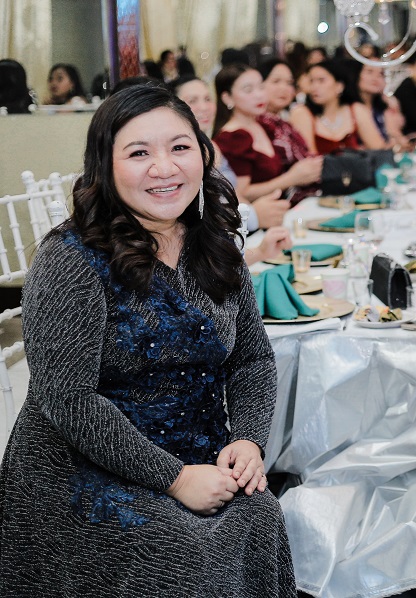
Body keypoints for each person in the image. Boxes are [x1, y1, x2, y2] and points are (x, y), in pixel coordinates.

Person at [0, 84, 296, 596]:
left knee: (261, 513)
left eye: (180, 147)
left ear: (202, 154)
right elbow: (68, 399)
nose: (164, 167)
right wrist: (175, 478)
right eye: (139, 153)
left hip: (197, 455)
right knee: (182, 549)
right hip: (82, 469)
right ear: (105, 166)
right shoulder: (72, 257)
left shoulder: (213, 242)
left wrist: (248, 439)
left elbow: (251, 359)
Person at [171, 76, 292, 257]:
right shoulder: (180, 155)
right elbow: (202, 215)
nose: (204, 107)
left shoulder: (210, 145)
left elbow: (232, 193)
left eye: (207, 99)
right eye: (193, 100)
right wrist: (254, 215)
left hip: (237, 239)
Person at [213, 64, 324, 207]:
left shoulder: (264, 125)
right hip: (260, 215)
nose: (259, 95)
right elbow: (241, 193)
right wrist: (291, 178)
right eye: (248, 90)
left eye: (261, 87)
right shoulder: (232, 138)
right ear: (228, 98)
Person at [288, 60, 388, 154]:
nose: (314, 87)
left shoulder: (356, 110)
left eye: (321, 81)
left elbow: (379, 150)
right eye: (311, 81)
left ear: (339, 86)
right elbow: (309, 157)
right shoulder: (302, 113)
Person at [347, 60, 409, 150]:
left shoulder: (383, 108)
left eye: (381, 74)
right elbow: (378, 148)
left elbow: (399, 139)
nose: (375, 78)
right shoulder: (351, 109)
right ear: (356, 74)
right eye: (369, 71)